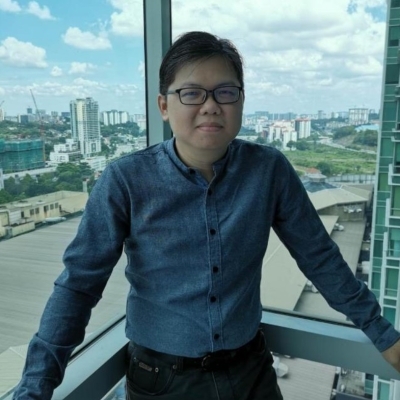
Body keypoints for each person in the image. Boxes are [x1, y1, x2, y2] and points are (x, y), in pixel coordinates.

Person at [13, 31, 400, 400]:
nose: (211, 105)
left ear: (241, 102)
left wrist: (382, 332)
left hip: (251, 371)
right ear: (164, 106)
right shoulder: (126, 180)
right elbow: (78, 287)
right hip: (163, 381)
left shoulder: (268, 170)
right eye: (192, 93)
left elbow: (319, 257)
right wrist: (34, 388)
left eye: (226, 92)